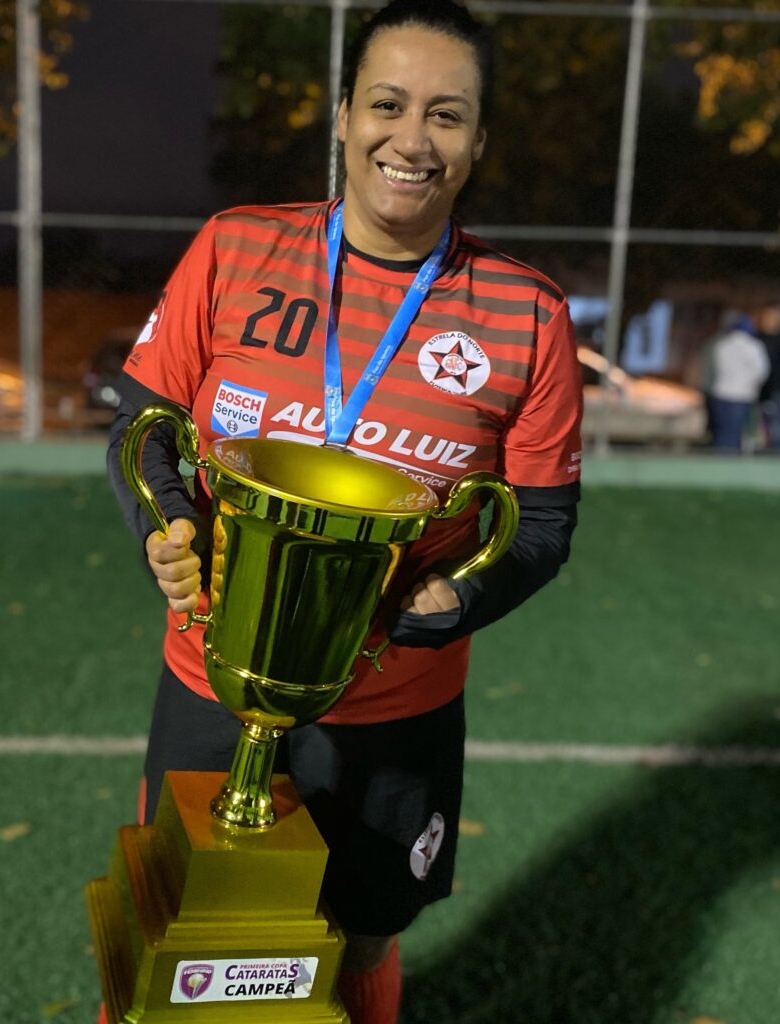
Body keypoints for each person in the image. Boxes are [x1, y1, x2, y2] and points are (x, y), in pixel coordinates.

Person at [106, 3, 582, 1022]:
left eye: (446, 115)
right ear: (341, 116)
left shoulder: (526, 313)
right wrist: (167, 530)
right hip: (211, 672)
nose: (411, 140)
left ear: (479, 139)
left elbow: (540, 528)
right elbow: (145, 426)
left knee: (363, 926)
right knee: (177, 923)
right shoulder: (237, 249)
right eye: (388, 105)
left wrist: (450, 601)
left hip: (396, 702)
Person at [706, 311, 770, 452]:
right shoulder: (753, 346)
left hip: (721, 394)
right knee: (737, 436)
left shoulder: (721, 345)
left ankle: (719, 467)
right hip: (742, 396)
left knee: (722, 435)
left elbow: (715, 370)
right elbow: (761, 371)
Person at [756, 299, 780, 450]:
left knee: (779, 428)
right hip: (766, 390)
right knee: (770, 428)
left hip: (779, 390)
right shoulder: (758, 338)